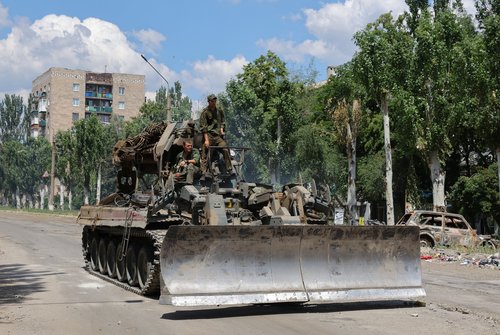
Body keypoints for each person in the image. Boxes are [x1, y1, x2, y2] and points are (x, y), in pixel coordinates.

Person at [199, 94, 232, 175]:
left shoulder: (219, 111)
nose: (214, 102)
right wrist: (206, 140)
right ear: (209, 102)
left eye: (215, 101)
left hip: (217, 136)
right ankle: (203, 171)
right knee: (205, 154)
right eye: (212, 101)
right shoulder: (205, 112)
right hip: (209, 136)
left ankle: (229, 168)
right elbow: (204, 128)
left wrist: (221, 129)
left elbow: (223, 122)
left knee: (225, 148)